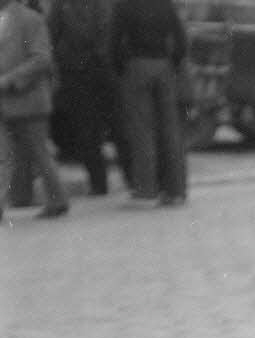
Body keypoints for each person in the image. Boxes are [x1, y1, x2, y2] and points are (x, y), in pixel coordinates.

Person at [109, 0, 188, 206]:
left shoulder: (124, 4)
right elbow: (181, 39)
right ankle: (176, 190)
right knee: (171, 130)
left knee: (142, 130)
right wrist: (173, 62)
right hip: (164, 65)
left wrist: (120, 67)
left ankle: (146, 190)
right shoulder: (165, 3)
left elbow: (114, 40)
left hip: (137, 65)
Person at [0, 0, 70, 217]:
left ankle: (58, 200)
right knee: (4, 156)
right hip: (5, 102)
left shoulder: (30, 19)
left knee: (40, 153)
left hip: (28, 100)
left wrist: (10, 79)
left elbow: (42, 58)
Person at [47, 0, 113, 196]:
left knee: (85, 128)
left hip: (76, 71)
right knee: (95, 128)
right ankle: (101, 181)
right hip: (95, 69)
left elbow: (52, 34)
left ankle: (98, 182)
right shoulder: (100, 5)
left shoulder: (61, 5)